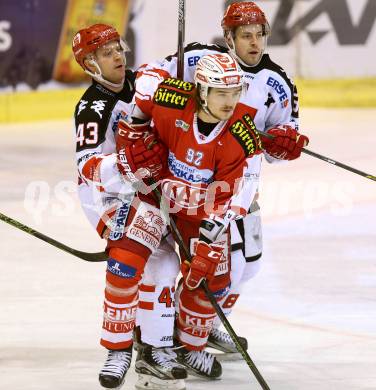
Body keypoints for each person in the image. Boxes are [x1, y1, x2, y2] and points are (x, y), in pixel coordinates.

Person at [133, 0, 309, 361]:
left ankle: (206, 322)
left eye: (260, 34)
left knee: (249, 266)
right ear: (229, 37)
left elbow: (278, 145)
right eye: (246, 35)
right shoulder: (199, 58)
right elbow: (152, 78)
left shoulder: (277, 82)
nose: (255, 43)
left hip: (233, 185)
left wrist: (283, 146)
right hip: (182, 178)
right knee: (202, 266)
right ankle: (177, 330)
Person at [133, 52, 263, 380]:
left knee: (212, 279)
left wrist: (211, 235)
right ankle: (150, 340)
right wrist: (135, 129)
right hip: (156, 199)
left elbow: (241, 193)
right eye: (221, 93)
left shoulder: (243, 135)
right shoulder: (173, 98)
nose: (230, 101)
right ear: (201, 91)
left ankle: (190, 347)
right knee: (149, 267)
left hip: (202, 213)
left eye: (235, 93)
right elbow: (146, 75)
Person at [72, 24, 188, 390]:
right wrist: (125, 161)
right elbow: (87, 168)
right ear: (90, 64)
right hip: (108, 195)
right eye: (106, 54)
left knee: (167, 260)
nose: (118, 56)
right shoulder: (92, 107)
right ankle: (119, 348)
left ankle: (156, 347)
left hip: (148, 187)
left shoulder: (143, 84)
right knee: (129, 260)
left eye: (118, 48)